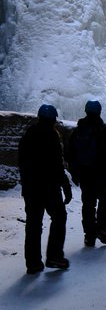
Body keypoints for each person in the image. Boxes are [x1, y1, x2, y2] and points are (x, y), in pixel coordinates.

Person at [18, 104, 72, 274]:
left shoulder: (28, 135)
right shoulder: (52, 136)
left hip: (31, 188)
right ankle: (54, 255)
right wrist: (65, 186)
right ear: (53, 119)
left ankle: (33, 263)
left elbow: (22, 162)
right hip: (49, 188)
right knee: (59, 217)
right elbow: (57, 164)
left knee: (34, 223)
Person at [67, 101, 106, 247]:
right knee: (105, 201)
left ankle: (89, 235)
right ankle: (102, 228)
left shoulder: (78, 131)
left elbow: (69, 155)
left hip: (85, 175)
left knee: (88, 204)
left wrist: (75, 173)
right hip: (103, 175)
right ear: (99, 112)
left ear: (86, 111)